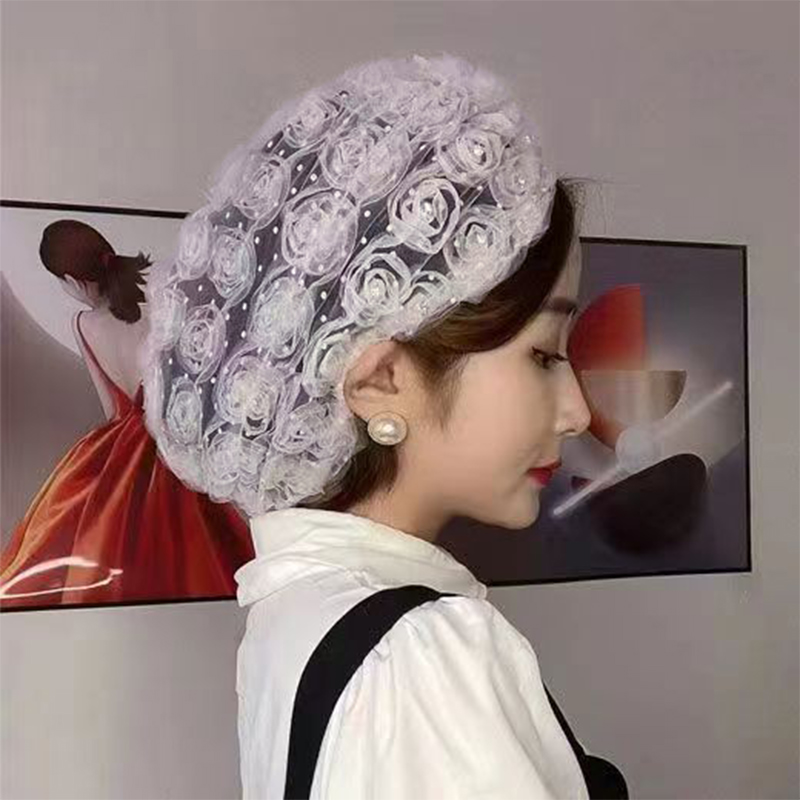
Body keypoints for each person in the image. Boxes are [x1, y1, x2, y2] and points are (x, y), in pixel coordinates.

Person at [141, 53, 628, 798]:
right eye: (543, 355)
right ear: (380, 382)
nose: (578, 412)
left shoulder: (300, 607)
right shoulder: (416, 653)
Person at [0, 220, 254, 608]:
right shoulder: (164, 304)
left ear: (74, 281)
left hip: (124, 448)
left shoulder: (83, 324)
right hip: (179, 437)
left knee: (114, 539)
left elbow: (112, 410)